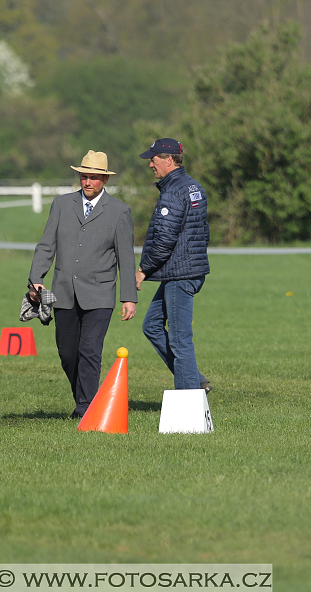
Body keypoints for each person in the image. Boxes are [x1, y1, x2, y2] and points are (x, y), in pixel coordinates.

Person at [29, 150, 137, 418]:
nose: (87, 182)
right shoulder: (61, 205)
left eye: (94, 178)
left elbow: (126, 257)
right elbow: (46, 245)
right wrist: (36, 280)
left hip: (100, 294)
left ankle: (86, 407)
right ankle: (86, 397)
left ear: (104, 180)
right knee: (67, 354)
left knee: (89, 349)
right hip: (63, 292)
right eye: (84, 176)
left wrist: (129, 297)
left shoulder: (120, 212)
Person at [135, 138, 211, 392]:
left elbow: (164, 240)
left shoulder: (173, 191)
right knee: (152, 325)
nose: (150, 165)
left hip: (180, 274)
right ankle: (195, 379)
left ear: (169, 160)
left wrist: (143, 269)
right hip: (187, 270)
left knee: (180, 340)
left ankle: (189, 398)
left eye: (153, 160)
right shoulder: (194, 187)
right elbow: (203, 232)